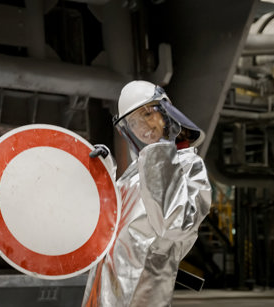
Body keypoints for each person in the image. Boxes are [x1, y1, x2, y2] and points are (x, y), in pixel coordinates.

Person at [82, 80, 211, 306]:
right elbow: (111, 221)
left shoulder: (189, 165)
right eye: (133, 121)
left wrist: (158, 153)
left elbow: (174, 224)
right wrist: (105, 172)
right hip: (106, 285)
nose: (143, 125)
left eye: (148, 114)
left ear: (166, 113)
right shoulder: (135, 173)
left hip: (144, 289)